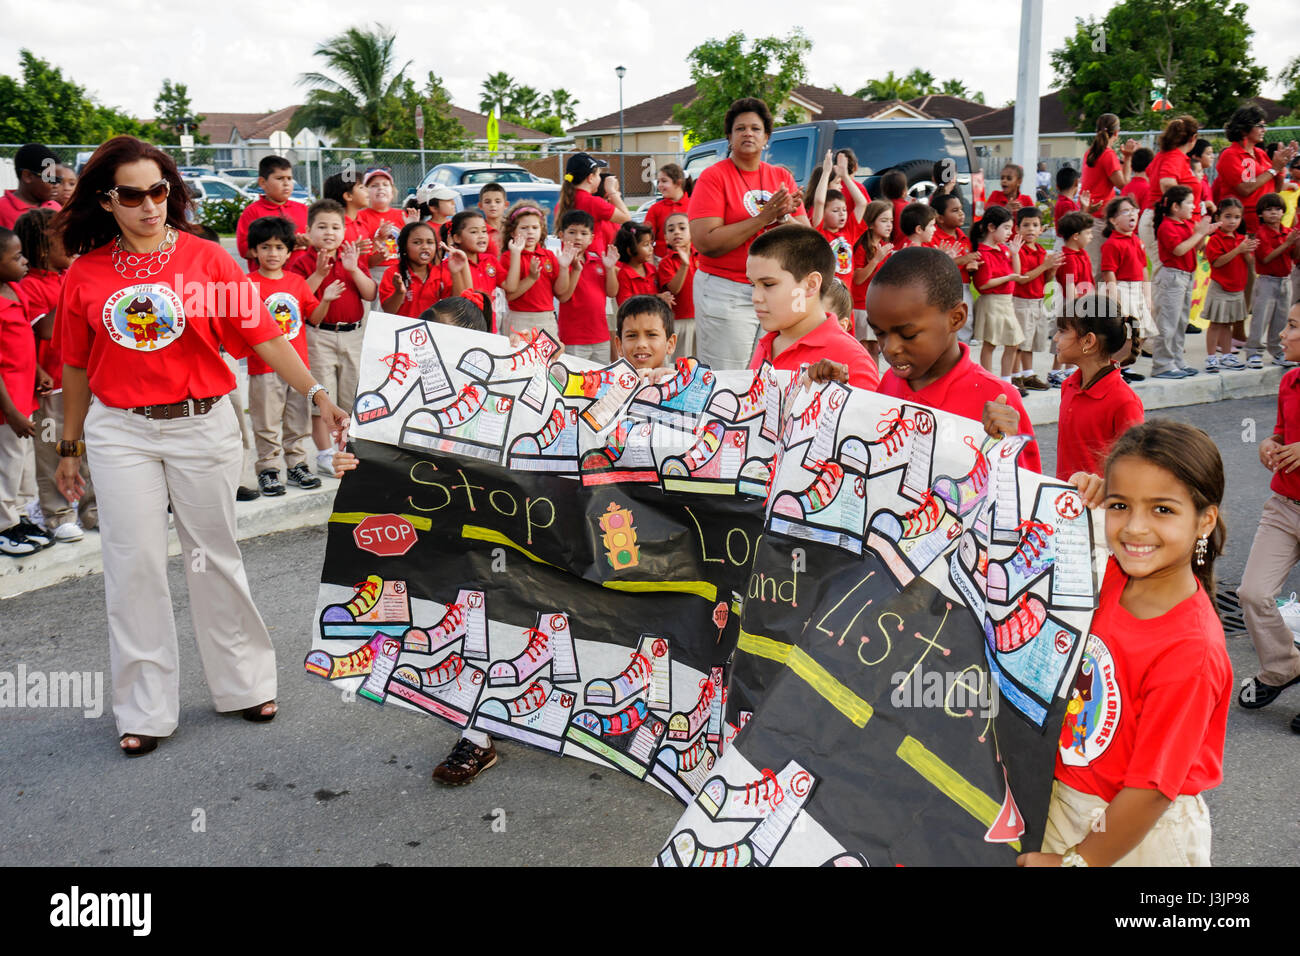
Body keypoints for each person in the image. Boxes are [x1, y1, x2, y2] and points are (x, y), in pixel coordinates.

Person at [50, 135, 349, 756]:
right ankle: (144, 709)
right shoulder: (86, 272)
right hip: (120, 431)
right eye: (131, 195)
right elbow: (75, 367)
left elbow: (265, 337)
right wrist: (69, 448)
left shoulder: (208, 260)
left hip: (202, 422)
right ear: (107, 201)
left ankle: (244, 685)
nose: (149, 205)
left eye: (158, 191)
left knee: (213, 557)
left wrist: (318, 392)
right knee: (131, 567)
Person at [1016, 420, 1229, 867]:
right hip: (1067, 803)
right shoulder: (1111, 575)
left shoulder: (1192, 651)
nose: (1134, 528)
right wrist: (1085, 497)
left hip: (1136, 837)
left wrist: (1079, 863)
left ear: (1205, 520)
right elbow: (1039, 532)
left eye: (1162, 510)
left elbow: (1150, 791)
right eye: (1120, 505)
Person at [866, 246, 1040, 471]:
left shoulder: (999, 399)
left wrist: (1006, 446)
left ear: (956, 318)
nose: (890, 349)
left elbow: (1026, 494)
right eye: (879, 333)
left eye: (908, 335)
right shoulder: (890, 380)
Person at [689, 97, 809, 370]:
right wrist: (763, 218)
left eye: (755, 128)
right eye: (740, 128)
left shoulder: (781, 176)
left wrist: (783, 217)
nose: (748, 134)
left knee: (765, 375)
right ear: (729, 137)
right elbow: (705, 241)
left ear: (767, 137)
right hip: (726, 290)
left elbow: (807, 238)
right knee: (727, 380)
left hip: (773, 292)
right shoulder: (714, 177)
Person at [990, 291, 1143, 480]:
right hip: (1063, 502)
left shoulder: (1124, 402)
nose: (1055, 338)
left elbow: (1135, 470)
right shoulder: (1069, 385)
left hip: (1097, 508)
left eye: (1063, 331)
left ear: (1088, 341)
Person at [14, 209, 94, 542]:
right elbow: (46, 329)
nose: (74, 247)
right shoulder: (29, 286)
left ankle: (92, 510)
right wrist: (75, 287)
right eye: (66, 241)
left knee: (87, 450)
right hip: (49, 391)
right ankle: (56, 513)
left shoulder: (65, 277)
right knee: (52, 452)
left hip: (80, 382)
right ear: (44, 247)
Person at [1238, 303, 1300, 730]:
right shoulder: (1290, 381)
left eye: (1292, 326)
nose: (1282, 333)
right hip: (1284, 506)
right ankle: (1283, 668)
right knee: (1252, 593)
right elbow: (1282, 433)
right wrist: (1269, 443)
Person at [246, 216, 333, 496]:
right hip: (264, 367)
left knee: (298, 418)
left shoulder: (297, 282)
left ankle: (297, 464)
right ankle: (268, 469)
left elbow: (314, 317)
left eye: (280, 247)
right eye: (266, 247)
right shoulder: (247, 284)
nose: (273, 253)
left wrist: (327, 299)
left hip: (298, 367)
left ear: (289, 251)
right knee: (266, 420)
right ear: (253, 251)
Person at [289, 198, 376, 476]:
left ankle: (346, 449)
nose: (329, 232)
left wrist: (352, 268)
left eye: (336, 227)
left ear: (344, 231)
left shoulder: (351, 257)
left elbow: (370, 293)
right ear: (309, 230)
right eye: (322, 226)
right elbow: (296, 297)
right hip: (319, 335)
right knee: (322, 395)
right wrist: (318, 273)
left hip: (352, 334)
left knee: (351, 395)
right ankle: (325, 453)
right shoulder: (302, 262)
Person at [745, 224, 878, 390]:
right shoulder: (767, 343)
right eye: (753, 285)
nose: (755, 297)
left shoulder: (851, 360)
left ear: (811, 284)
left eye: (768, 284)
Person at [0, 225, 49, 556]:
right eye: (16, 257)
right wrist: (11, 412)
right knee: (6, 463)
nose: (25, 261)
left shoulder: (14, 291)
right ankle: (3, 528)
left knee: (18, 462)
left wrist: (38, 370)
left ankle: (15, 519)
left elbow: (24, 343)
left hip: (22, 393)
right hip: (7, 405)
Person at [1150, 186, 1215, 379]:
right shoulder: (1167, 226)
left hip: (1186, 275)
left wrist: (1205, 232)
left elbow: (1195, 246)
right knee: (1168, 323)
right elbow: (1178, 250)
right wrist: (1198, 233)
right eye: (1188, 202)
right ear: (1175, 206)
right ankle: (1162, 364)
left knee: (1181, 322)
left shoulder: (1185, 224)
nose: (1193, 206)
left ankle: (1176, 360)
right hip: (1172, 277)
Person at [1214, 105, 1300, 233]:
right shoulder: (1231, 154)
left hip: (1266, 221)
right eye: (1260, 126)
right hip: (1244, 223)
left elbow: (1275, 189)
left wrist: (1281, 166)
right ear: (1244, 129)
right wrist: (1273, 169)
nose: (1264, 130)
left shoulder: (1260, 153)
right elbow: (1245, 189)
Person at [1137, 115, 1202, 284]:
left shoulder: (1164, 156)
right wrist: (1182, 209)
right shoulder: (1175, 157)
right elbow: (1166, 182)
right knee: (1168, 274)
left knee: (1166, 272)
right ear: (1193, 138)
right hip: (1162, 221)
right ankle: (1160, 311)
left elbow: (1152, 175)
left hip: (1156, 218)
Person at [556, 209, 619, 363]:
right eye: (572, 232)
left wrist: (610, 268)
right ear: (561, 235)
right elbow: (563, 296)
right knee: (575, 381)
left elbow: (612, 292)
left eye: (583, 233)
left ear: (591, 238)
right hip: (574, 338)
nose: (578, 237)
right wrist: (572, 269)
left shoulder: (598, 262)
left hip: (601, 336)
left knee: (600, 379)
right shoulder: (561, 262)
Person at [970, 206, 1024, 380]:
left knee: (1013, 342)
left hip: (1006, 302)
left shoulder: (1002, 249)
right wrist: (1007, 277)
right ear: (991, 228)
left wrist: (1015, 254)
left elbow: (1016, 273)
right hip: (992, 303)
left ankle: (1006, 379)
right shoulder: (982, 252)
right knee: (990, 344)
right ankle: (988, 379)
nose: (1009, 232)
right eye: (1006, 228)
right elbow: (983, 284)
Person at [1010, 206, 1061, 392]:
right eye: (1026, 225)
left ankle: (1028, 373)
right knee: (1019, 342)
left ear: (1042, 229)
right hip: (1021, 301)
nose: (1031, 229)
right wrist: (1045, 266)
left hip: (1037, 300)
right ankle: (1015, 376)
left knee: (1030, 341)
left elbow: (1044, 279)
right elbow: (1023, 278)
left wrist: (1052, 270)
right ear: (1017, 229)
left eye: (1035, 225)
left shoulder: (1040, 250)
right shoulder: (1019, 251)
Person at [1201, 197, 1255, 372]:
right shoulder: (1215, 239)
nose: (1232, 221)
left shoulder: (1241, 239)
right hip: (1220, 287)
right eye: (1228, 216)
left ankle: (1226, 355)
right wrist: (1238, 250)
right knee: (1216, 323)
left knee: (1228, 323)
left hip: (1237, 287)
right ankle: (1211, 357)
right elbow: (1217, 262)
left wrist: (1247, 251)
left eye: (1237, 217)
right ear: (1219, 217)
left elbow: (1249, 263)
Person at [500, 199, 567, 339]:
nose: (530, 232)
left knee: (547, 360)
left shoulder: (548, 255)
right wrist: (531, 278)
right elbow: (510, 296)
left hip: (546, 318)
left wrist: (564, 268)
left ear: (542, 229)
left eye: (535, 228)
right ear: (512, 232)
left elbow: (560, 293)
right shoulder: (509, 256)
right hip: (519, 318)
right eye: (524, 228)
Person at [1081, 114, 1139, 270]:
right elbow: (1124, 184)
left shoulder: (1091, 152)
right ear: (1116, 133)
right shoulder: (1107, 154)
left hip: (1092, 215)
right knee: (1098, 269)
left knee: (1094, 267)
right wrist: (1128, 158)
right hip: (1099, 218)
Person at [1249, 192, 1300, 368]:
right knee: (1261, 317)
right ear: (1261, 214)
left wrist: (1296, 242)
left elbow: (1294, 255)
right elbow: (1266, 258)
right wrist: (1287, 243)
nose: (1274, 213)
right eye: (1268, 210)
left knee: (1281, 317)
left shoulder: (1288, 232)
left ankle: (1278, 351)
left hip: (1285, 279)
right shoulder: (1261, 234)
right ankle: (1254, 352)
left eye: (1278, 209)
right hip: (1267, 280)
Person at [234, 155, 308, 270]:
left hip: (302, 280)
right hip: (267, 280)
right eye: (280, 178)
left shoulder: (303, 209)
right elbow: (245, 251)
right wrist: (286, 246)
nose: (286, 183)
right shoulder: (252, 212)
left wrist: (309, 243)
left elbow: (318, 243)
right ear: (263, 182)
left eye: (289, 178)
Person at [927, 191, 981, 341]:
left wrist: (972, 264)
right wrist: (961, 260)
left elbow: (967, 264)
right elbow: (933, 266)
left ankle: (963, 357)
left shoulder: (963, 238)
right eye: (955, 210)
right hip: (940, 288)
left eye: (961, 209)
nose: (961, 214)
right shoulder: (933, 237)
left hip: (962, 287)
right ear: (940, 218)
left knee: (965, 321)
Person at [554, 152, 630, 254]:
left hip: (570, 258)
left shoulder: (562, 203)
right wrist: (612, 191)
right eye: (598, 175)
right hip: (592, 261)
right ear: (590, 178)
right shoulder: (593, 202)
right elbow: (626, 218)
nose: (599, 178)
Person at [810, 150, 867, 288]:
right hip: (827, 294)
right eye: (835, 211)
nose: (842, 214)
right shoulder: (821, 233)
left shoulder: (849, 232)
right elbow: (819, 201)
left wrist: (845, 176)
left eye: (844, 210)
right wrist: (826, 172)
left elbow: (862, 203)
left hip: (845, 297)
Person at [850, 200, 896, 361]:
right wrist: (876, 259)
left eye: (890, 221)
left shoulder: (884, 246)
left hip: (876, 306)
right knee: (863, 348)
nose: (889, 225)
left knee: (875, 348)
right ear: (870, 224)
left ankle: (874, 383)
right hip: (860, 305)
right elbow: (858, 278)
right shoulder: (863, 247)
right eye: (883, 221)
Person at [378, 222, 448, 318]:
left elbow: (455, 304)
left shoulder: (441, 273)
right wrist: (399, 292)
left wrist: (458, 271)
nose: (425, 246)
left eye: (430, 242)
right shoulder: (392, 273)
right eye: (417, 242)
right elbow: (388, 310)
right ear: (404, 246)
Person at [444, 209, 504, 319]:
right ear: (457, 238)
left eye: (484, 231)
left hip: (489, 327)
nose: (481, 236)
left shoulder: (490, 260)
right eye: (474, 232)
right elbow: (461, 301)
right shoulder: (447, 266)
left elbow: (510, 287)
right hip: (465, 327)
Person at [656, 212, 697, 360]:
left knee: (700, 361)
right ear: (666, 237)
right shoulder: (666, 262)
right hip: (679, 321)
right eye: (671, 230)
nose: (677, 232)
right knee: (680, 362)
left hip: (701, 319)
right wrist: (684, 265)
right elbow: (674, 289)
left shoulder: (701, 256)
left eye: (682, 228)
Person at [356, 167, 406, 286]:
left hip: (399, 268)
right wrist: (379, 238)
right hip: (374, 270)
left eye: (385, 184)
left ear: (392, 191)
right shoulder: (360, 216)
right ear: (366, 192)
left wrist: (412, 226)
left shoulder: (403, 215)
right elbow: (364, 255)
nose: (380, 188)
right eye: (374, 185)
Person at [0, 143, 61, 229]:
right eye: (50, 178)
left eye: (58, 179)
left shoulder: (55, 207)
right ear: (27, 176)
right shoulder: (2, 209)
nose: (57, 184)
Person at [645, 163, 691, 258]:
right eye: (658, 182)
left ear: (678, 183)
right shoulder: (655, 208)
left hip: (690, 259)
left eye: (664, 181)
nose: (659, 185)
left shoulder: (694, 205)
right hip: (662, 260)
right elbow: (647, 239)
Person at [613, 221, 660, 306]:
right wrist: (657, 298)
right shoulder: (624, 275)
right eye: (646, 245)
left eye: (651, 243)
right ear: (630, 250)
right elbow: (626, 305)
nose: (651, 248)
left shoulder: (652, 269)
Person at [477, 182, 508, 256]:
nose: (493, 205)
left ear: (506, 205)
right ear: (480, 206)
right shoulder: (478, 231)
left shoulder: (514, 228)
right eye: (487, 202)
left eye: (497, 202)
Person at [1189, 140, 1217, 219]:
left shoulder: (1204, 177)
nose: (1212, 156)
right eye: (1208, 153)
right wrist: (1207, 204)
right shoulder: (1193, 178)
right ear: (1195, 157)